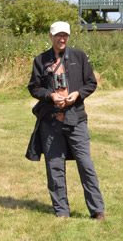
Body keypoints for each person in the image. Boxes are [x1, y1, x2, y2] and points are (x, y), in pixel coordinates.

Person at [26, 21, 106, 219]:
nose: (62, 39)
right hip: (50, 121)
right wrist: (50, 96)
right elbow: (34, 87)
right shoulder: (40, 60)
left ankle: (97, 211)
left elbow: (91, 83)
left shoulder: (79, 56)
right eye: (58, 35)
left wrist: (77, 94)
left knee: (86, 164)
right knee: (54, 167)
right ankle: (61, 211)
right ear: (51, 36)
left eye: (65, 35)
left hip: (76, 118)